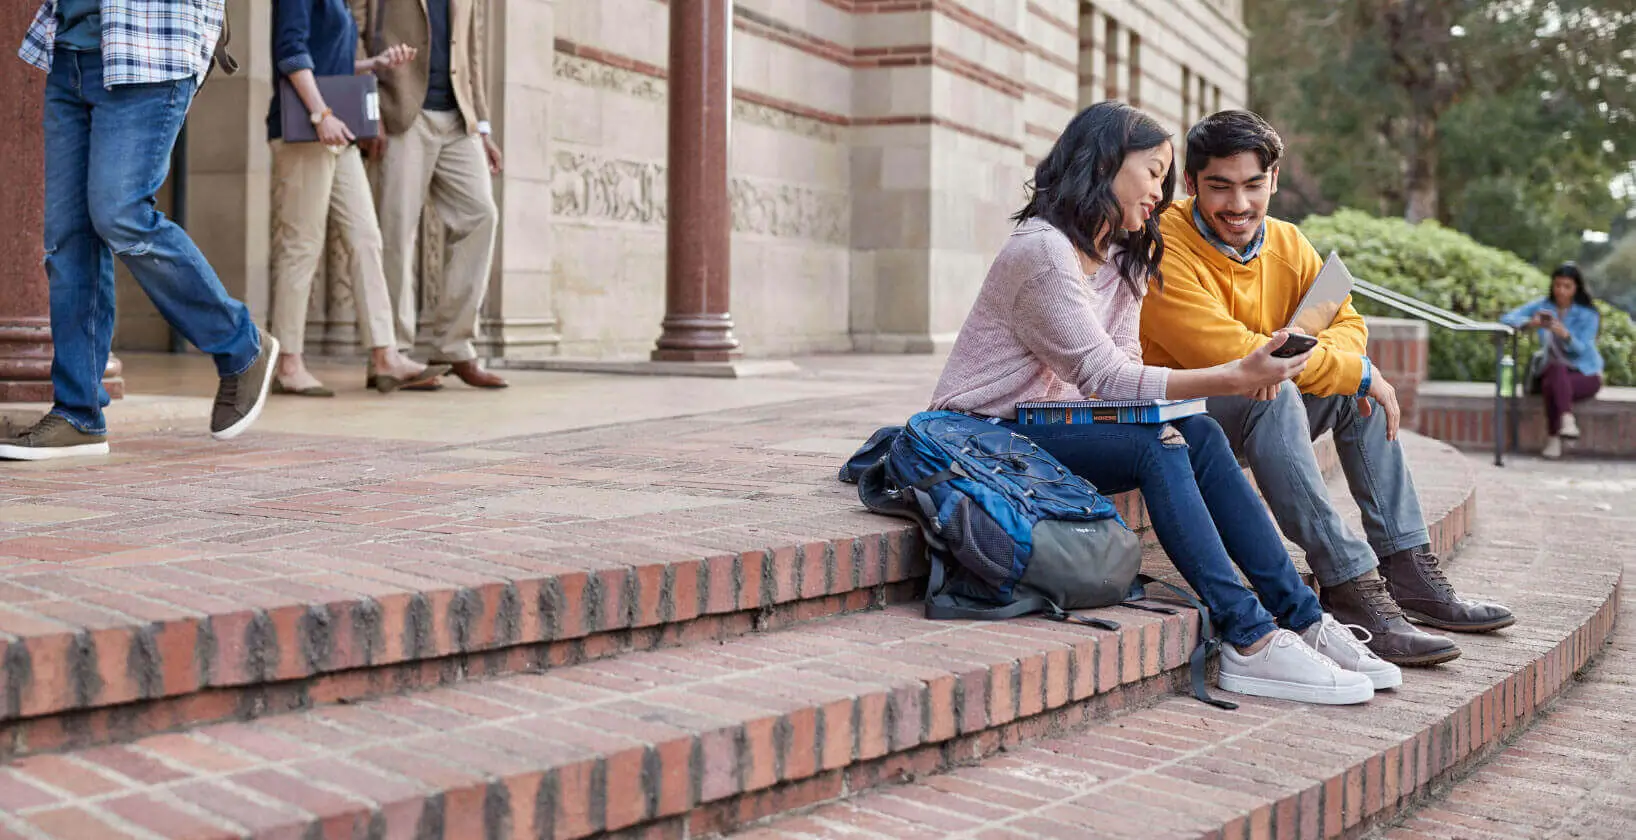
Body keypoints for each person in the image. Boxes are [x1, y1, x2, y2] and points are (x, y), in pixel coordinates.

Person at [930, 102, 1398, 705]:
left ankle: (1304, 619)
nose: (1161, 192)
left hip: (1050, 426)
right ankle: (1249, 639)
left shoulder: (1125, 253)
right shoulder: (1042, 249)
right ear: (1104, 161)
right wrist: (1233, 375)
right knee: (1161, 443)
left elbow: (1123, 364)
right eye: (1153, 172)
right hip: (983, 433)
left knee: (1195, 433)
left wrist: (1202, 393)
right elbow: (1105, 375)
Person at [1139, 110, 1515, 667]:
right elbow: (1240, 358)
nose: (1238, 205)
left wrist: (1345, 369)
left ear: (1274, 181)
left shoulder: (1289, 243)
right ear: (1191, 183)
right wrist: (1352, 368)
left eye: (1252, 185)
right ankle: (1350, 587)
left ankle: (1409, 571)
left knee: (1348, 395)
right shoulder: (1163, 245)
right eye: (1219, 187)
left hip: (1260, 401)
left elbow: (1348, 324)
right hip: (1182, 415)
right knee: (1288, 390)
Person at [3, 0, 277, 461]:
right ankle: (78, 415)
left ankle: (240, 344)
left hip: (150, 44)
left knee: (121, 214)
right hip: (69, 48)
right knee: (67, 240)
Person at [267, 0, 448, 396]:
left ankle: (385, 356)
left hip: (337, 131)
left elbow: (329, 63)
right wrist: (320, 114)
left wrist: (375, 63)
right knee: (301, 245)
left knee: (367, 237)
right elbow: (291, 52)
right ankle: (288, 363)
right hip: (305, 129)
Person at [353, 0, 508, 390]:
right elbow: (354, 35)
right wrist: (368, 115)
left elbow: (470, 54)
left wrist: (483, 127)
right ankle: (392, 353)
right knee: (396, 230)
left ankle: (453, 345)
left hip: (458, 118)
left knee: (482, 215)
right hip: (402, 113)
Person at [1501, 264, 1603, 459]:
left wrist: (1565, 335)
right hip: (1554, 369)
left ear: (1576, 288)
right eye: (1557, 285)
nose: (1561, 291)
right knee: (1555, 372)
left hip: (1585, 373)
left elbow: (1583, 349)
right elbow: (1507, 318)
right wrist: (1530, 323)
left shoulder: (1588, 314)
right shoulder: (1544, 306)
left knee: (1552, 383)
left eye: (1567, 286)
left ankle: (1553, 438)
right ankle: (1566, 420)